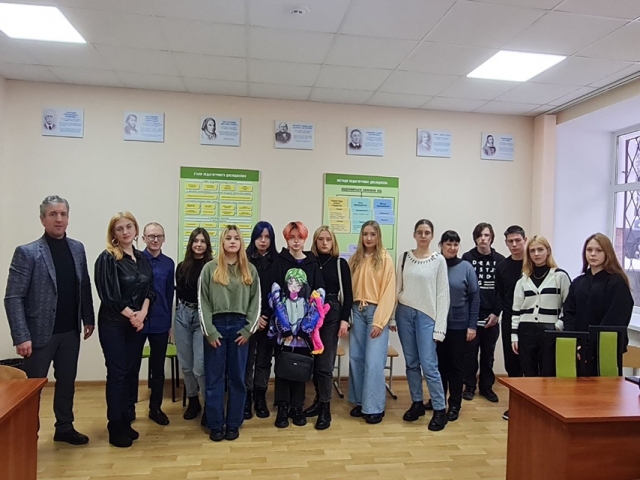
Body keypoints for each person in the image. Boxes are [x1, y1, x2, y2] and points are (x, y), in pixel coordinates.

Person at [4, 195, 94, 445]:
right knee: (32, 389)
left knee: (66, 383)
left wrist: (88, 317)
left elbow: (83, 285)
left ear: (68, 218)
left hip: (70, 331)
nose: (59, 219)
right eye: (53, 214)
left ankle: (64, 427)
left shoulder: (77, 248)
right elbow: (13, 297)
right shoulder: (27, 252)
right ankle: (27, 435)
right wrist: (21, 336)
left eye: (63, 214)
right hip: (38, 335)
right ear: (42, 219)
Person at [95, 212, 155, 448]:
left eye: (129, 226)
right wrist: (132, 315)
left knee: (131, 372)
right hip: (114, 323)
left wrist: (143, 314)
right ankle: (115, 425)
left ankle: (126, 419)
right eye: (119, 228)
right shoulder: (108, 258)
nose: (125, 232)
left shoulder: (141, 258)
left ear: (136, 229)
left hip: (136, 322)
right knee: (118, 373)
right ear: (113, 234)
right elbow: (108, 294)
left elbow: (150, 290)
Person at [199, 225, 261, 442]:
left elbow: (256, 303)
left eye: (236, 238)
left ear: (241, 242)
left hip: (239, 328)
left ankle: (233, 423)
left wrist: (248, 330)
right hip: (215, 326)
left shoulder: (249, 270)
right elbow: (203, 302)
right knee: (214, 378)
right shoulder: (209, 269)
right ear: (222, 242)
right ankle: (216, 424)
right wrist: (209, 331)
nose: (232, 241)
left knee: (237, 378)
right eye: (228, 238)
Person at [262, 221, 325, 427]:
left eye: (299, 237)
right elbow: (274, 296)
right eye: (291, 237)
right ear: (286, 239)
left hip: (305, 332)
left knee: (300, 367)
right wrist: (285, 327)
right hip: (284, 330)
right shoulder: (279, 262)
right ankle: (282, 407)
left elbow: (318, 298)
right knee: (283, 367)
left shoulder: (312, 263)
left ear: (305, 239)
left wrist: (306, 328)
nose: (296, 241)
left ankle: (297, 407)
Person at [394, 220, 449, 431]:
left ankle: (439, 409)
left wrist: (440, 328)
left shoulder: (439, 260)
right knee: (411, 362)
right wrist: (392, 317)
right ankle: (416, 402)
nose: (423, 236)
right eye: (420, 232)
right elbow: (397, 288)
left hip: (427, 316)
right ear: (414, 234)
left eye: (427, 233)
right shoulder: (404, 258)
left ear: (432, 236)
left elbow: (443, 295)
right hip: (404, 313)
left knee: (429, 364)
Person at [303, 226, 353, 430]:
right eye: (320, 239)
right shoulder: (309, 262)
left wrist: (344, 320)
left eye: (328, 239)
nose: (324, 243)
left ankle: (325, 408)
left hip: (332, 312)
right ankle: (317, 400)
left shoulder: (340, 264)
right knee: (313, 361)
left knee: (325, 363)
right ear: (315, 242)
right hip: (311, 312)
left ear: (333, 242)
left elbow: (348, 294)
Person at [562, 233, 633, 375]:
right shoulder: (578, 282)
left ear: (607, 253)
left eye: (598, 250)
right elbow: (569, 312)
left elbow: (615, 318)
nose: (593, 254)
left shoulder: (616, 282)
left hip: (605, 348)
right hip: (577, 347)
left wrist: (590, 347)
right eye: (589, 250)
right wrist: (575, 342)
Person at [348, 220, 396, 425]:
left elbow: (389, 292)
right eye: (365, 234)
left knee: (374, 361)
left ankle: (374, 407)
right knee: (357, 358)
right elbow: (347, 287)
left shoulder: (385, 259)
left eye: (372, 234)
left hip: (375, 312)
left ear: (378, 237)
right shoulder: (355, 259)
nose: (368, 238)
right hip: (357, 311)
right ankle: (361, 401)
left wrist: (380, 321)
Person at [128, 222, 174, 426]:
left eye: (159, 236)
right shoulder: (134, 260)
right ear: (143, 238)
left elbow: (169, 294)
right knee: (132, 366)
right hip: (137, 321)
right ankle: (129, 407)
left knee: (158, 368)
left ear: (164, 239)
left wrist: (170, 323)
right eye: (151, 236)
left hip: (161, 321)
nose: (155, 240)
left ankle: (155, 408)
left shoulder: (169, 263)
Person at [267, 268, 325, 429]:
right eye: (291, 283)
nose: (294, 286)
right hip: (284, 343)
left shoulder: (308, 302)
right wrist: (285, 331)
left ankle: (297, 407)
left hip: (302, 344)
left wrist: (303, 332)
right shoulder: (282, 301)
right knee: (282, 375)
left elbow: (313, 316)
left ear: (303, 285)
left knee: (300, 375)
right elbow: (277, 316)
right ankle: (282, 407)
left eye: (298, 284)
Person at [511, 235, 571, 377]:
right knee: (529, 374)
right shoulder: (523, 279)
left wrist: (558, 326)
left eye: (540, 249)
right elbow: (516, 310)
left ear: (548, 251)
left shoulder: (559, 276)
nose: (536, 254)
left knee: (548, 373)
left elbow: (569, 306)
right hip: (526, 330)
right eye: (532, 251)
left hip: (550, 330)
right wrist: (514, 336)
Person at [436, 230, 479, 422]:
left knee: (455, 367)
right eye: (448, 244)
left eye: (455, 244)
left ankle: (454, 404)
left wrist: (472, 326)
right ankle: (438, 400)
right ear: (441, 245)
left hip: (459, 326)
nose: (452, 248)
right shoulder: (435, 264)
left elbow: (475, 298)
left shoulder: (466, 268)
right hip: (437, 325)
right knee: (438, 366)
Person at [461, 222, 504, 403]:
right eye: (480, 236)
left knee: (488, 354)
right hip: (471, 316)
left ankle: (486, 387)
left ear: (491, 238)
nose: (483, 239)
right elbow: (463, 287)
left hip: (491, 316)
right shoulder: (467, 258)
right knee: (470, 354)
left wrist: (496, 313)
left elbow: (502, 291)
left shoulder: (500, 260)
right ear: (475, 238)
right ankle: (469, 386)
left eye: (486, 235)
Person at [175, 228, 212, 422]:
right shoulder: (182, 267)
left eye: (202, 241)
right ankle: (193, 401)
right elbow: (179, 295)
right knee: (186, 365)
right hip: (182, 315)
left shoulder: (212, 267)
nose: (199, 244)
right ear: (191, 244)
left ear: (207, 245)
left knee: (199, 367)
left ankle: (208, 406)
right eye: (196, 241)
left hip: (202, 317)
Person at [244, 221, 278, 420]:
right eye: (259, 237)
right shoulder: (244, 259)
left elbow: (278, 293)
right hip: (248, 319)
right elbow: (241, 293)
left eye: (267, 237)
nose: (263, 241)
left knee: (264, 360)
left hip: (269, 319)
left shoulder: (277, 261)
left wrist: (265, 315)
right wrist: (254, 317)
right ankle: (246, 397)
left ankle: (260, 397)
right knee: (247, 360)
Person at [494, 225, 526, 420]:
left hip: (530, 321)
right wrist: (496, 313)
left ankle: (532, 405)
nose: (514, 244)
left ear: (525, 240)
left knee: (530, 364)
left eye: (517, 240)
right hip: (508, 319)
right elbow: (500, 294)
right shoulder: (502, 266)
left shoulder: (533, 263)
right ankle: (515, 405)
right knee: (512, 364)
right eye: (510, 241)